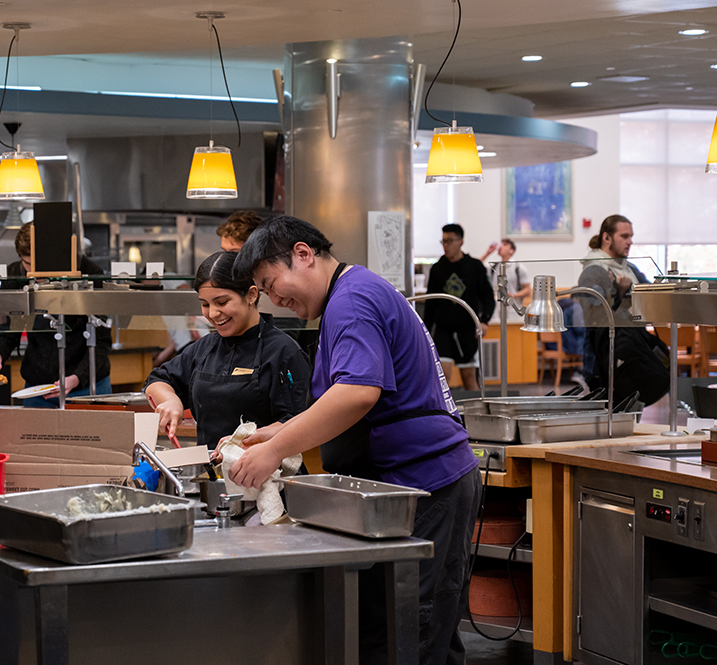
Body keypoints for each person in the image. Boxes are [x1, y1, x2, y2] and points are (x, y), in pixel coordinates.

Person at [228, 215, 481, 665]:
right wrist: (281, 431)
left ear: (303, 254)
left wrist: (274, 451)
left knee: (412, 629)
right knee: (422, 629)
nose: (275, 299)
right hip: (408, 484)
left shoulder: (352, 300)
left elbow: (357, 394)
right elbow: (352, 396)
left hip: (424, 483)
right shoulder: (351, 293)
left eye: (271, 284)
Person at [144, 251, 310, 449]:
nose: (213, 313)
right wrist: (171, 400)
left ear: (251, 295)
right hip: (214, 473)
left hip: (269, 473)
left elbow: (300, 422)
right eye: (205, 304)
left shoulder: (283, 351)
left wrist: (248, 443)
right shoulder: (204, 348)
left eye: (222, 302)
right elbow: (157, 380)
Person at [0, 222, 112, 407]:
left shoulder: (88, 272)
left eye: (41, 266)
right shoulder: (14, 275)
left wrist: (78, 377)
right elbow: (8, 328)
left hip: (86, 387)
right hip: (38, 389)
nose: (35, 273)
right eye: (28, 264)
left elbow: (101, 340)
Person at [578, 214, 669, 405]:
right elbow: (595, 313)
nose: (630, 242)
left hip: (631, 352)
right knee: (611, 423)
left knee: (632, 418)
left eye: (631, 236)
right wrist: (618, 293)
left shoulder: (631, 269)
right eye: (624, 236)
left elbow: (650, 295)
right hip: (604, 360)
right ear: (606, 237)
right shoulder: (593, 270)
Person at [423, 223, 495, 391]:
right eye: (443, 241)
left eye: (450, 241)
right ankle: (445, 416)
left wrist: (484, 321)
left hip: (467, 330)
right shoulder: (437, 268)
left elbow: (488, 297)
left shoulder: (475, 267)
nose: (446, 245)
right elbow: (431, 303)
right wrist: (425, 331)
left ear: (461, 241)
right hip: (443, 331)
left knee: (469, 379)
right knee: (443, 380)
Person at [480, 238, 532, 316]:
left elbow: (527, 290)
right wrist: (488, 252)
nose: (501, 246)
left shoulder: (518, 268)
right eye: (501, 244)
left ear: (511, 250)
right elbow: (476, 266)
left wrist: (512, 295)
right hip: (495, 310)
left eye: (505, 245)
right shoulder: (494, 267)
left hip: (513, 309)